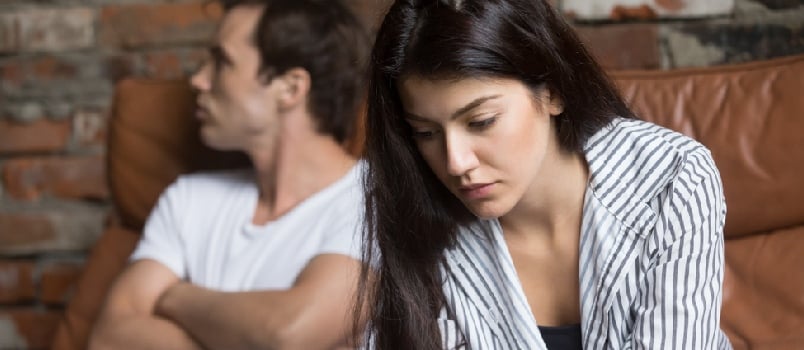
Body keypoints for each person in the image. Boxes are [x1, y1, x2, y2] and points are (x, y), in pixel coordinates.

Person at [356, 0, 733, 349]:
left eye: (481, 121)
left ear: (552, 91)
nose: (455, 162)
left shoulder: (669, 176)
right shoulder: (417, 218)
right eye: (426, 133)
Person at [89, 0, 370, 349]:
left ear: (290, 88)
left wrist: (174, 296)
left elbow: (286, 335)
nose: (199, 80)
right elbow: (109, 338)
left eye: (221, 62)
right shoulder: (189, 197)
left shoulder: (376, 201)